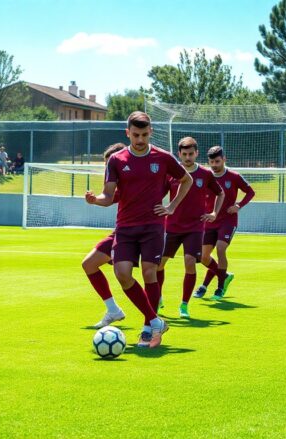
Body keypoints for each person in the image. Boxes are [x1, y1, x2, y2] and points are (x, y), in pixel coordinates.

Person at [85, 111, 192, 348]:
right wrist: (95, 200)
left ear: (150, 132)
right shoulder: (116, 160)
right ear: (128, 133)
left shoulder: (163, 157)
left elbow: (187, 180)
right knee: (122, 273)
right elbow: (108, 195)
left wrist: (172, 206)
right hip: (125, 226)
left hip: (153, 226)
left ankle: (147, 328)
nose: (140, 139)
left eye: (144, 134)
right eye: (135, 135)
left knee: (149, 272)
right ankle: (156, 321)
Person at [157, 137, 223, 319]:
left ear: (196, 153)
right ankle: (158, 297)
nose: (187, 157)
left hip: (194, 227)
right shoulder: (171, 174)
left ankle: (184, 305)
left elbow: (220, 193)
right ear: (179, 154)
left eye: (191, 154)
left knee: (189, 261)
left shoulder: (205, 174)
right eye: (184, 154)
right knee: (159, 264)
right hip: (171, 226)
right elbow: (158, 194)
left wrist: (214, 213)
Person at [193, 146, 255, 301]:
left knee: (221, 249)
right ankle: (224, 276)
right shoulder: (205, 177)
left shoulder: (234, 176)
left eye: (217, 161)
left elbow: (250, 192)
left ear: (224, 159)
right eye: (212, 162)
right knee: (203, 257)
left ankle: (219, 288)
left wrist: (238, 205)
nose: (214, 165)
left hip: (228, 220)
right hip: (209, 221)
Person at [81, 143, 127, 329]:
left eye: (110, 164)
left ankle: (152, 319)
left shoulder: (135, 178)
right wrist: (94, 199)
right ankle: (113, 310)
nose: (108, 169)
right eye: (107, 165)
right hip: (123, 231)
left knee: (141, 274)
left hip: (144, 232)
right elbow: (109, 197)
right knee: (89, 264)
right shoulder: (116, 181)